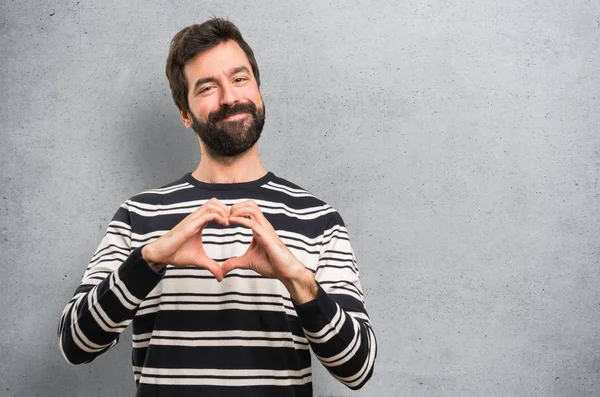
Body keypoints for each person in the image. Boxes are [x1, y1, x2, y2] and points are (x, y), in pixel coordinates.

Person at [58, 17, 377, 397]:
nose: (229, 97)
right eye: (207, 87)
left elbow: (358, 368)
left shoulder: (317, 219)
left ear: (258, 90)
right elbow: (75, 345)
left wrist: (297, 279)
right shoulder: (139, 215)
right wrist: (148, 262)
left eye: (240, 79)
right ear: (185, 114)